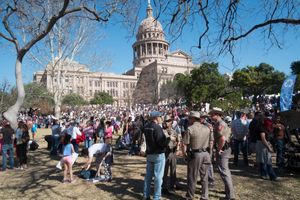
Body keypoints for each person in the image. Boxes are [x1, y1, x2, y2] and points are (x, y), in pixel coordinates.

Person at [182, 111, 212, 200]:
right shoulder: (207, 128)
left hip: (196, 154)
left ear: (193, 119)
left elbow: (184, 144)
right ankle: (204, 196)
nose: (188, 119)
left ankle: (190, 196)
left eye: (189, 118)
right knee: (205, 177)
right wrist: (210, 153)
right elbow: (211, 141)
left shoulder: (190, 129)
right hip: (206, 153)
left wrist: (184, 155)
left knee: (192, 176)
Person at [143, 111, 170, 200]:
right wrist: (168, 139)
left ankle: (146, 195)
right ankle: (156, 197)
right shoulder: (157, 127)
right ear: (156, 118)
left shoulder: (146, 126)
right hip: (158, 154)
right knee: (158, 177)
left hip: (150, 154)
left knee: (148, 176)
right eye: (160, 117)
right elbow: (161, 142)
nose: (161, 118)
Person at [209, 107, 235, 200]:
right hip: (225, 148)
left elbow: (222, 139)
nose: (211, 116)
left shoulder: (220, 124)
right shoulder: (219, 123)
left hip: (223, 149)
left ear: (217, 115)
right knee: (225, 171)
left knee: (224, 171)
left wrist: (219, 149)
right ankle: (228, 191)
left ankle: (230, 196)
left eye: (212, 114)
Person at [255, 113, 277, 181]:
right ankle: (268, 175)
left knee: (266, 160)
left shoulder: (262, 126)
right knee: (265, 160)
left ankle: (266, 174)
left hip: (262, 143)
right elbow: (263, 138)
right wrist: (268, 147)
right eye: (264, 118)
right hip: (262, 144)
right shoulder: (261, 127)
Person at [162, 115, 180, 194]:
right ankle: (164, 187)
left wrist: (178, 147)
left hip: (173, 152)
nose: (167, 122)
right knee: (164, 171)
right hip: (165, 152)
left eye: (168, 121)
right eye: (166, 121)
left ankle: (172, 185)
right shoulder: (162, 131)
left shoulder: (174, 130)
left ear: (171, 122)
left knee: (173, 170)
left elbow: (178, 140)